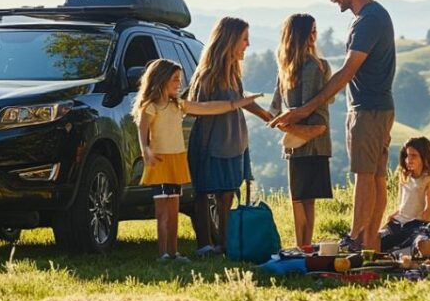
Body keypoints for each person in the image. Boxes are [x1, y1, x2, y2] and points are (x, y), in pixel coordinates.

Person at [270, 0, 396, 252]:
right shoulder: (371, 17)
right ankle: (370, 243)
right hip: (377, 107)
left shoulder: (368, 20)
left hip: (368, 109)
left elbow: (347, 71)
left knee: (365, 175)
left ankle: (355, 238)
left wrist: (304, 110)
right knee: (376, 175)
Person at [134, 58, 263, 261]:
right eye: (175, 79)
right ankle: (163, 254)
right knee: (162, 213)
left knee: (173, 210)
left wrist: (238, 103)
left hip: (177, 161)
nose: (179, 83)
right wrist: (145, 149)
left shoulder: (178, 105)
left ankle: (174, 253)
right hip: (160, 162)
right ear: (161, 80)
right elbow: (142, 128)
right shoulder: (151, 106)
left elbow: (207, 107)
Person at [188, 17, 274, 256]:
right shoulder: (207, 75)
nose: (248, 44)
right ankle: (205, 244)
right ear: (230, 40)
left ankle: (225, 243)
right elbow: (196, 108)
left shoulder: (233, 73)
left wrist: (266, 115)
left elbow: (240, 100)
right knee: (204, 192)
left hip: (234, 141)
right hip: (211, 141)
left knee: (227, 193)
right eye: (244, 39)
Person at [268, 14, 333, 249]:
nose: (314, 36)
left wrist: (282, 123)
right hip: (306, 138)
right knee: (304, 198)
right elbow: (287, 105)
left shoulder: (300, 66)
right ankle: (304, 246)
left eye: (316, 31)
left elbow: (291, 107)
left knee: (300, 198)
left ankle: (302, 246)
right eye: (311, 31)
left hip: (303, 138)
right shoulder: (306, 65)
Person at [379, 137, 430, 252]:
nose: (409, 160)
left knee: (406, 244)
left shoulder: (428, 179)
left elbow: (429, 209)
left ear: (424, 157)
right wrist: (393, 215)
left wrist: (421, 226)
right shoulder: (405, 176)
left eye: (414, 156)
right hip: (398, 221)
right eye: (407, 155)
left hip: (414, 224)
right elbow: (403, 204)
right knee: (377, 240)